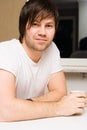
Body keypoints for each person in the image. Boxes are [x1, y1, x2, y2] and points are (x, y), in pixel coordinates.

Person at [0, 0, 86, 122]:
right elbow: (4, 111)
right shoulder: (5, 51)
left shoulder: (52, 49)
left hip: (33, 123)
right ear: (23, 27)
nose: (42, 32)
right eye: (35, 24)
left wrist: (26, 104)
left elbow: (60, 92)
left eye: (49, 26)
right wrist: (59, 107)